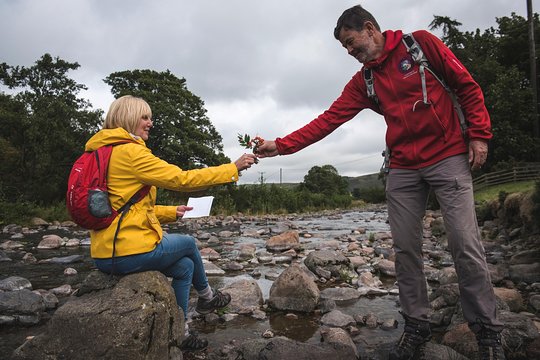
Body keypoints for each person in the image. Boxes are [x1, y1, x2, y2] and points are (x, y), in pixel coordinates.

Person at [256, 5, 505, 360]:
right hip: (402, 166)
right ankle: (417, 326)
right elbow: (327, 120)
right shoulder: (364, 81)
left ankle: (487, 332)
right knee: (405, 249)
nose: (349, 51)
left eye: (351, 42)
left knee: (465, 244)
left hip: (448, 155)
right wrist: (279, 146)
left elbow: (466, 85)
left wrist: (479, 134)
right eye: (344, 47)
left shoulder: (420, 46)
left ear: (370, 29)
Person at [87, 95, 257, 352]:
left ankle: (181, 330)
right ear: (128, 117)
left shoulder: (103, 152)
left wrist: (171, 212)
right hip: (125, 251)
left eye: (150, 117)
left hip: (105, 251)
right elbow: (181, 179)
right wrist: (231, 169)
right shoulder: (131, 152)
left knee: (184, 267)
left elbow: (127, 208)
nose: (150, 123)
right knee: (188, 242)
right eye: (145, 117)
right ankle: (208, 298)